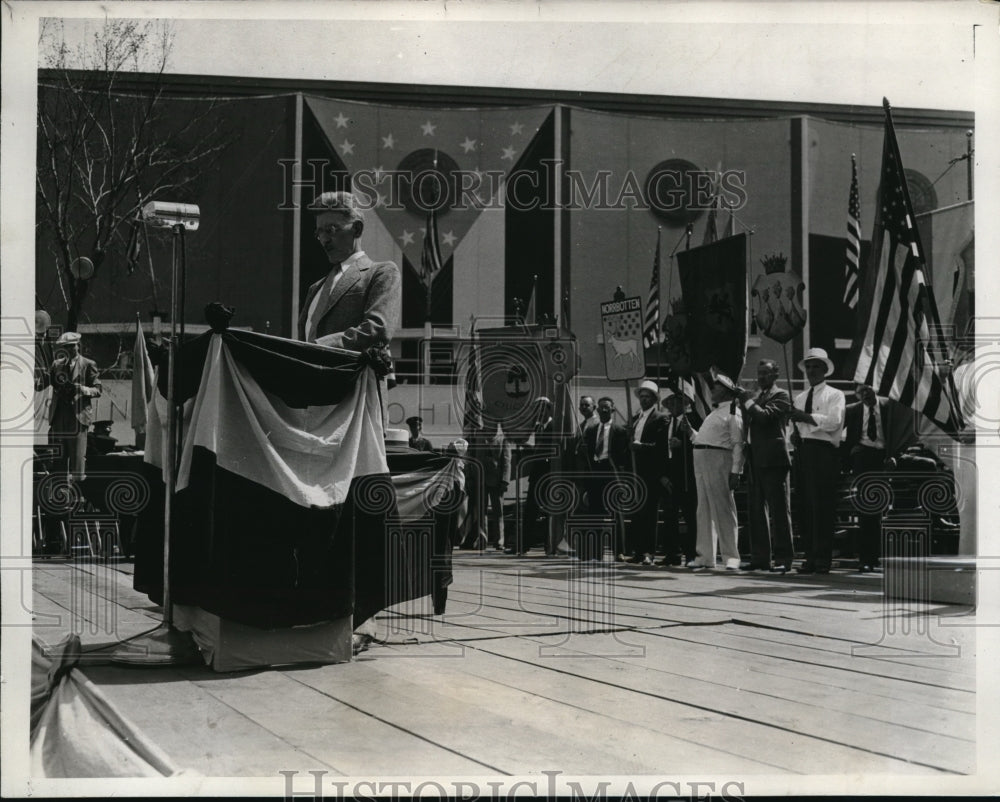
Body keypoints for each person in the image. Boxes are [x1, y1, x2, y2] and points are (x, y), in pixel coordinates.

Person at [298, 191, 401, 352]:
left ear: (357, 229)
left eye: (331, 230)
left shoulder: (380, 273)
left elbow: (378, 328)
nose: (324, 240)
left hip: (354, 376)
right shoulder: (315, 288)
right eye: (319, 233)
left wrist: (317, 348)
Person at [733, 359, 794, 573]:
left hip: (774, 460)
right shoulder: (757, 397)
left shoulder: (782, 395)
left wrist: (747, 402)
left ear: (775, 375)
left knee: (778, 511)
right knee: (756, 510)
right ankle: (761, 558)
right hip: (756, 458)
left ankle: (784, 558)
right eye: (759, 374)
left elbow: (766, 417)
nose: (761, 378)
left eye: (766, 373)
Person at [789, 347, 846, 575]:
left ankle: (823, 559)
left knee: (822, 506)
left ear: (825, 369)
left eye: (816, 366)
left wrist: (806, 418)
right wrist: (794, 432)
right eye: (808, 367)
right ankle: (810, 557)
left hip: (823, 452)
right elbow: (797, 427)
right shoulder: (800, 397)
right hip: (803, 451)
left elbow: (834, 421)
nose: (811, 370)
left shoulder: (835, 394)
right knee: (805, 506)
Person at [687, 376, 745, 571]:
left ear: (728, 391)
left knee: (723, 508)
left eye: (717, 387)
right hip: (702, 457)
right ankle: (705, 555)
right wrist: (691, 433)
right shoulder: (715, 413)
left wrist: (736, 471)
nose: (713, 389)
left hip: (719, 458)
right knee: (703, 508)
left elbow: (738, 444)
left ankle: (731, 556)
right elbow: (705, 438)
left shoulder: (732, 413)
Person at [843, 383, 895, 573]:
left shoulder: (889, 406)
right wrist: (850, 451)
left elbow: (900, 433)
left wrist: (894, 455)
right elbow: (838, 432)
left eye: (868, 389)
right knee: (866, 509)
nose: (865, 394)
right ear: (857, 396)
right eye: (860, 392)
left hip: (885, 458)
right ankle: (866, 559)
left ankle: (879, 557)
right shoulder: (852, 411)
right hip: (863, 457)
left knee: (881, 509)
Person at [47, 332, 102, 481]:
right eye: (66, 347)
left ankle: (78, 498)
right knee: (58, 461)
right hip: (59, 417)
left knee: (78, 461)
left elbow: (98, 390)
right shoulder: (56, 365)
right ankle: (59, 497)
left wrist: (82, 389)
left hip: (78, 419)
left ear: (78, 346)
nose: (70, 350)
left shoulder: (88, 364)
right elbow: (49, 382)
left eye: (73, 346)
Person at [624, 380, 668, 565]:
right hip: (635, 473)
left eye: (647, 396)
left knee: (650, 514)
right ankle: (639, 551)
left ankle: (650, 552)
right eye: (641, 396)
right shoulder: (635, 419)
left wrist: (641, 447)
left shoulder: (661, 418)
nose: (643, 400)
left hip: (651, 473)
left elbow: (661, 447)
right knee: (637, 513)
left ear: (655, 399)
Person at [581, 396, 629, 560]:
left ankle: (619, 551)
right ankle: (595, 552)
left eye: (607, 407)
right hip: (595, 472)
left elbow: (623, 457)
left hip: (612, 472)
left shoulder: (621, 431)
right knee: (595, 512)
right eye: (600, 407)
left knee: (616, 512)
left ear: (613, 410)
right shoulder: (591, 430)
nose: (603, 410)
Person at [508, 396, 554, 555]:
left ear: (548, 409)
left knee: (549, 511)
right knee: (530, 510)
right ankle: (523, 545)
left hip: (549, 473)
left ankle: (550, 545)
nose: (538, 413)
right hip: (537, 473)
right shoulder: (537, 427)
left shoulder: (554, 425)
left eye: (541, 409)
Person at [658, 389, 698, 567]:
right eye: (671, 403)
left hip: (687, 475)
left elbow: (699, 447)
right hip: (669, 476)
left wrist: (683, 445)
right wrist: (662, 475)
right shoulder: (665, 424)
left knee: (690, 516)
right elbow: (658, 452)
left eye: (677, 403)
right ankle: (672, 553)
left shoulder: (693, 422)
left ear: (685, 404)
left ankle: (691, 553)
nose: (673, 407)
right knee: (669, 516)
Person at [473, 422, 512, 551]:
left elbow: (507, 461)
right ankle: (482, 540)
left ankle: (500, 540)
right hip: (481, 479)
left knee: (498, 512)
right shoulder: (479, 437)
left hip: (497, 481)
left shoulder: (502, 439)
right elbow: (473, 457)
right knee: (481, 511)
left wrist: (505, 480)